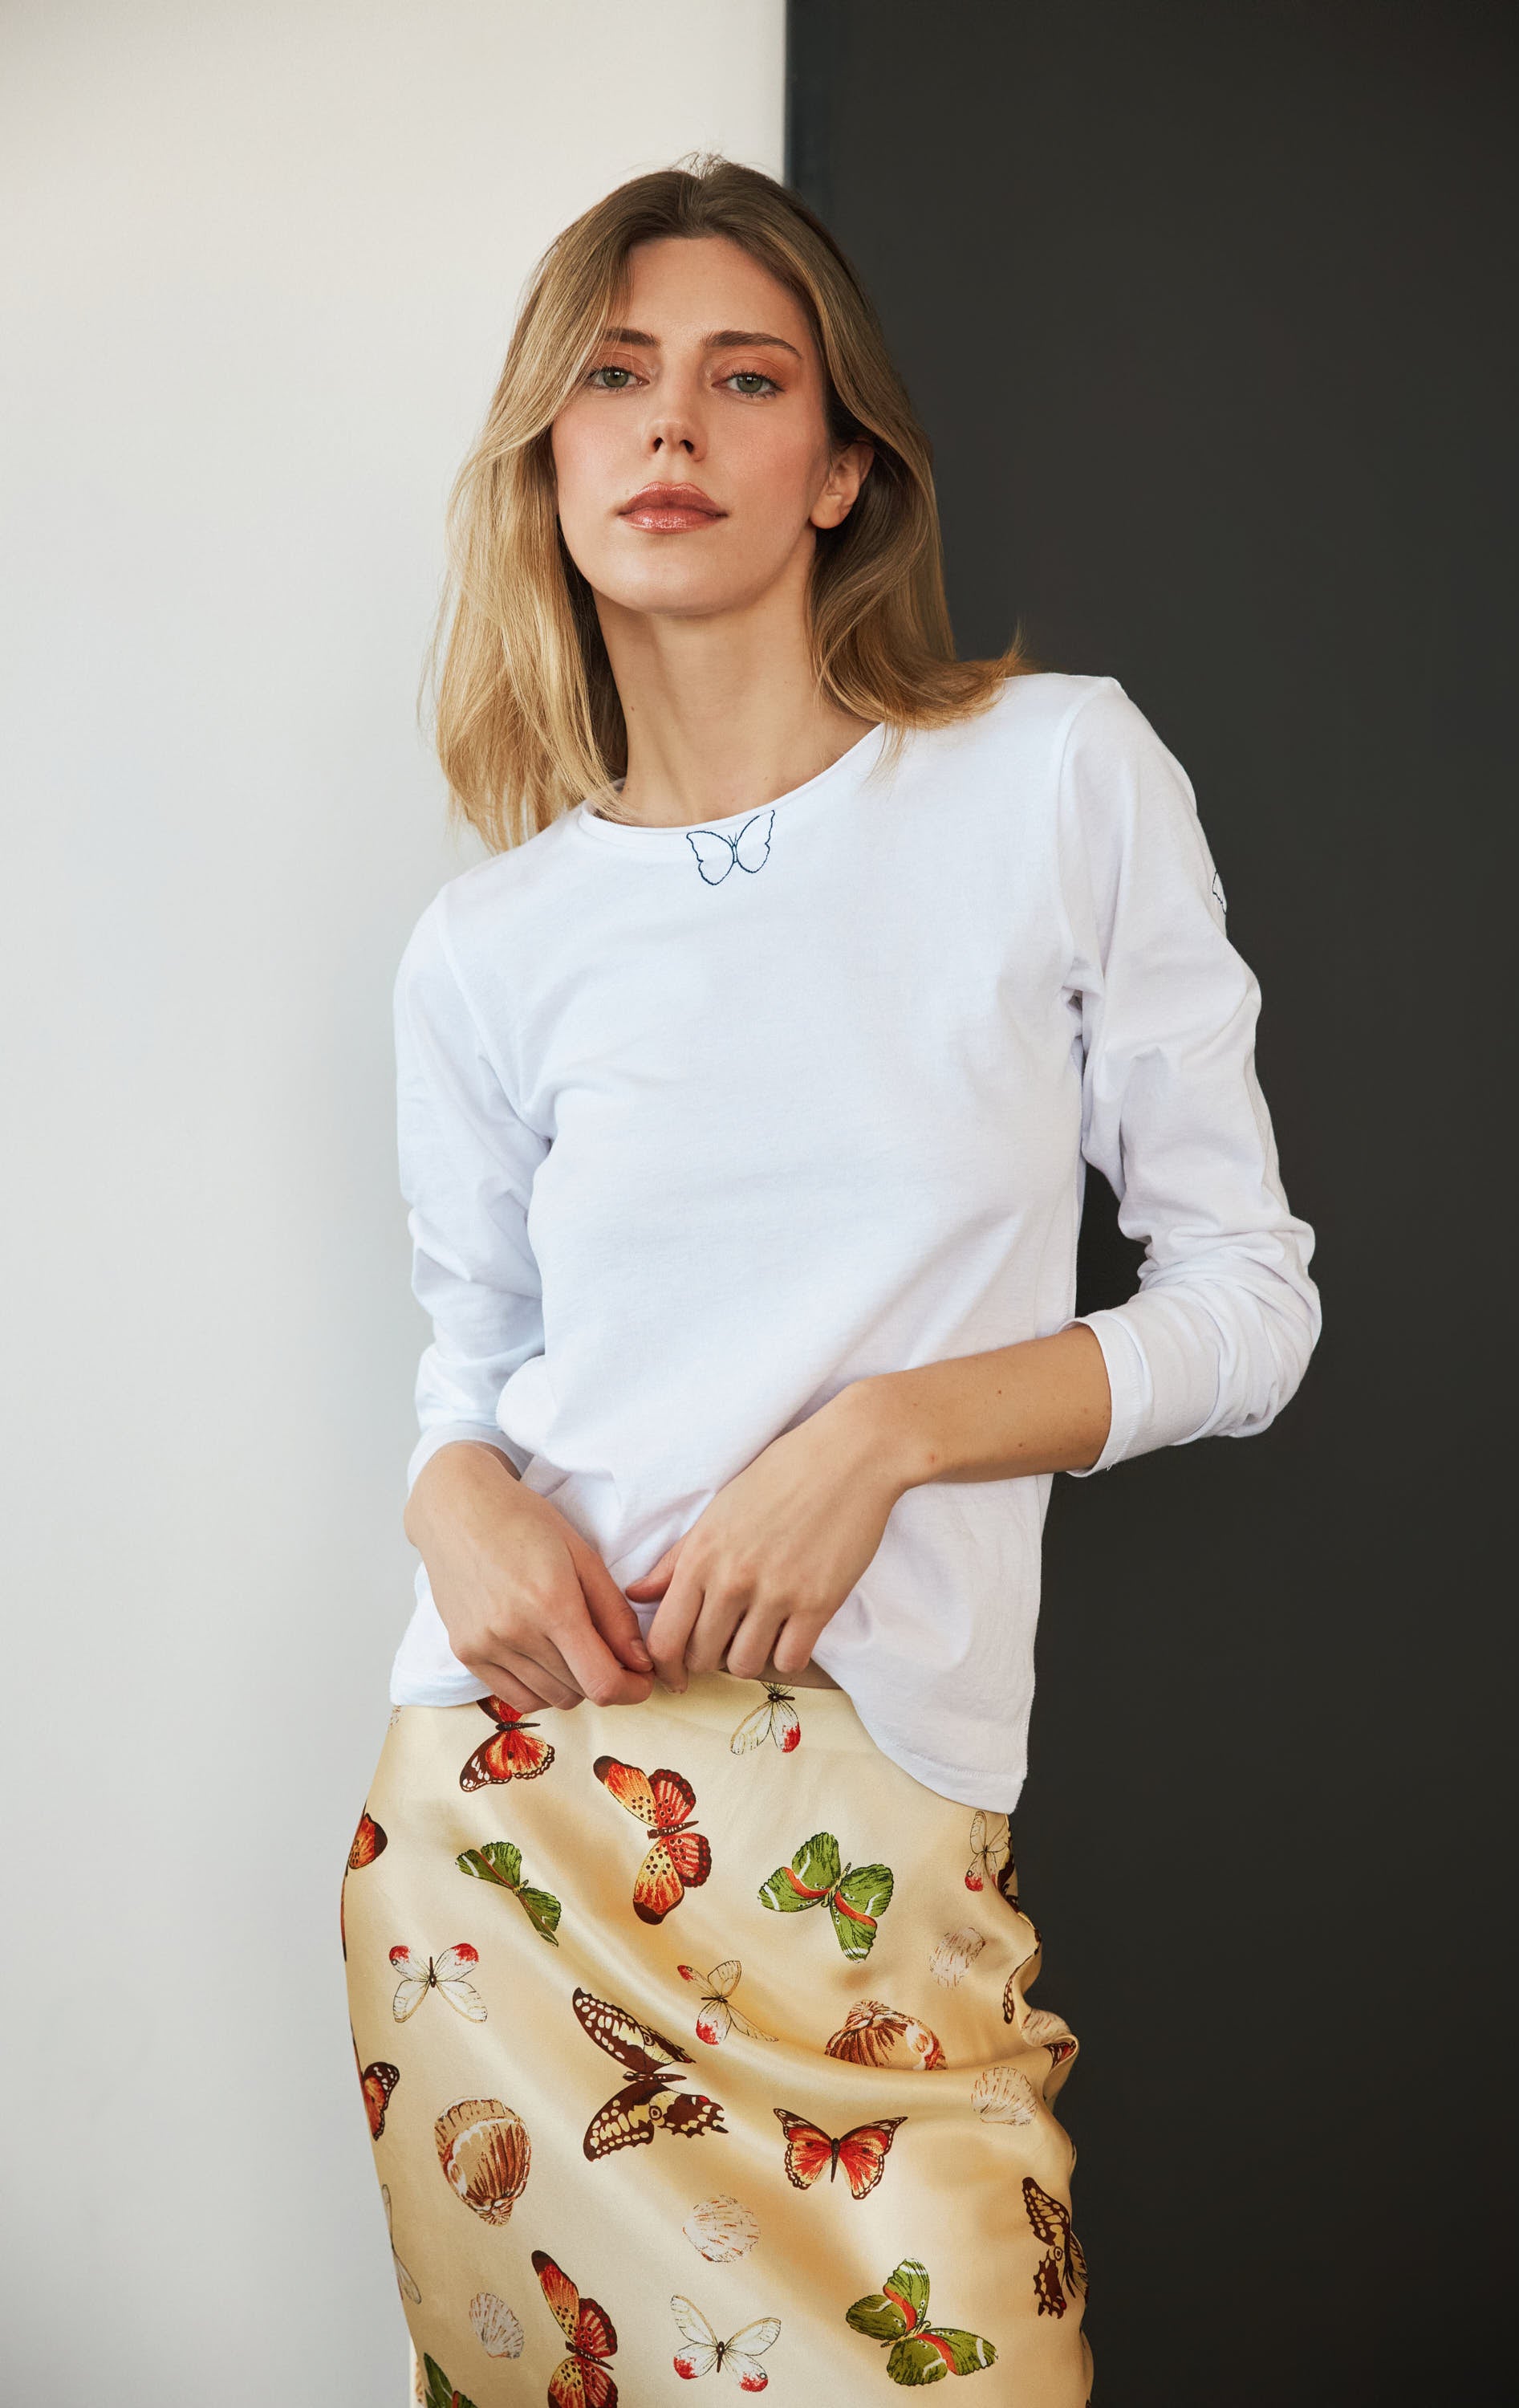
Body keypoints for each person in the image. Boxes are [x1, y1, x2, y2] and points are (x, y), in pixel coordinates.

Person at [339, 155, 1318, 2406]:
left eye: (741, 378)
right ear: (549, 458)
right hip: (511, 1841)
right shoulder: (489, 946)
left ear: (841, 466)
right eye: (612, 378)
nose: (668, 427)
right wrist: (447, 1496)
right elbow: (469, 1369)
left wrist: (885, 1437)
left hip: (873, 1854)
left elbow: (1250, 1299)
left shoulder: (1054, 774)